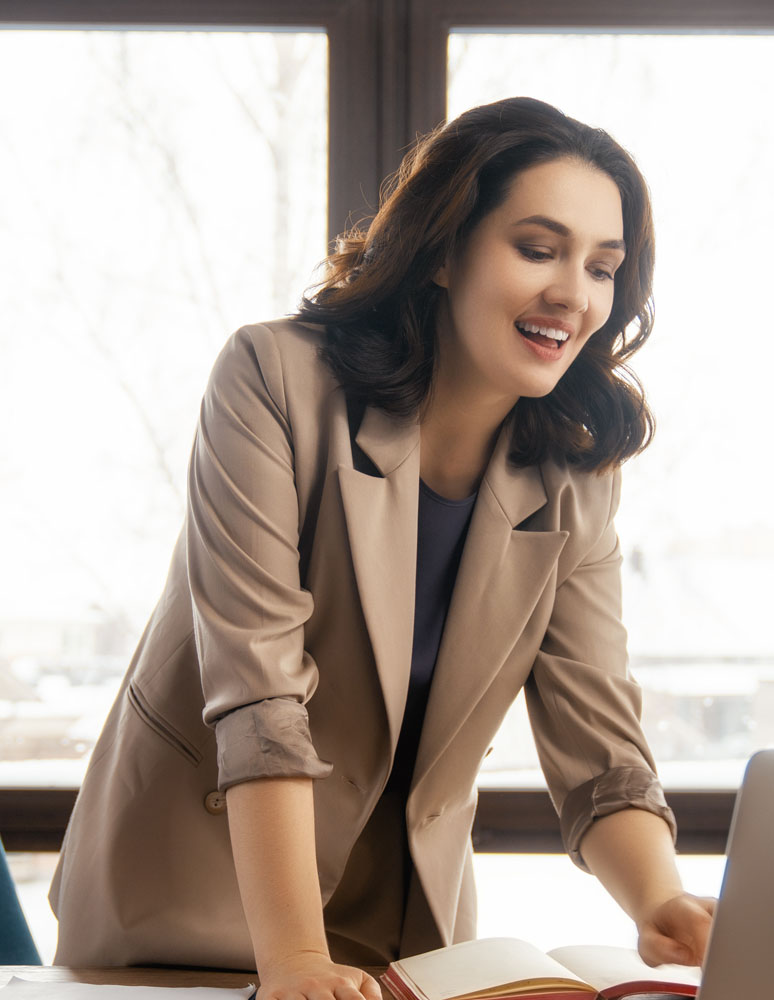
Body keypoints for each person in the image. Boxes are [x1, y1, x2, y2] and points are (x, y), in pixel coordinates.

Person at [50, 97, 715, 994]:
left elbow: (599, 750)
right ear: (443, 250)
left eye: (604, 266)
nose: (575, 293)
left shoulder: (576, 473)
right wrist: (295, 960)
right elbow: (260, 698)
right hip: (196, 909)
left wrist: (660, 904)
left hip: (406, 937)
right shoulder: (273, 378)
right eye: (537, 248)